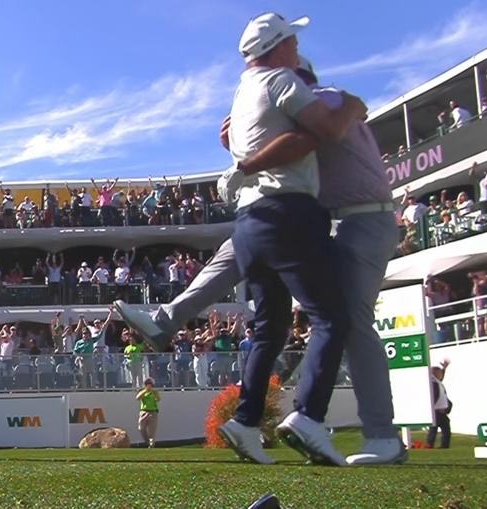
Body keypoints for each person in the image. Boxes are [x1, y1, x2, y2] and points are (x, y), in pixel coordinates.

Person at [117, 46, 405, 465]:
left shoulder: (324, 102)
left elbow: (306, 138)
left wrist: (245, 154)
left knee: (351, 322)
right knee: (248, 239)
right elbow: (279, 156)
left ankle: (381, 436)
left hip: (361, 220)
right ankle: (167, 318)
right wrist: (241, 143)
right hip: (324, 219)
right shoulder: (303, 107)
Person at [426, 359, 452, 449]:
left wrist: (444, 368)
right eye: (439, 372)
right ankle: (430, 444)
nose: (441, 374)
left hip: (442, 410)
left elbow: (441, 377)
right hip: (437, 410)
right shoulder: (432, 383)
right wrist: (434, 407)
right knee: (434, 429)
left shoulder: (437, 381)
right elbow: (433, 396)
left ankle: (444, 445)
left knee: (445, 429)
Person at [135, 378, 160, 448]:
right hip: (144, 411)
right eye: (147, 384)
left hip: (153, 412)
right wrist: (145, 390)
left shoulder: (154, 392)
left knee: (152, 430)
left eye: (150, 384)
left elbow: (158, 399)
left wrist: (153, 392)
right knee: (141, 428)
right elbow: (137, 398)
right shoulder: (143, 391)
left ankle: (152, 444)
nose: (149, 385)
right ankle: (148, 441)